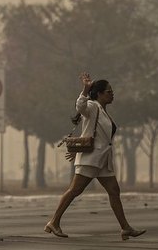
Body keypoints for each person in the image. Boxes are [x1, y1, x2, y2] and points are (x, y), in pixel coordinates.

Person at [44, 71, 146, 240]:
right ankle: (53, 222)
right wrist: (85, 89)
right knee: (75, 190)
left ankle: (125, 228)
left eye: (112, 91)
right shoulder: (92, 106)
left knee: (114, 191)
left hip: (103, 160)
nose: (112, 94)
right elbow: (80, 106)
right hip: (91, 158)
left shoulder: (103, 111)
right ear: (99, 94)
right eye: (109, 92)